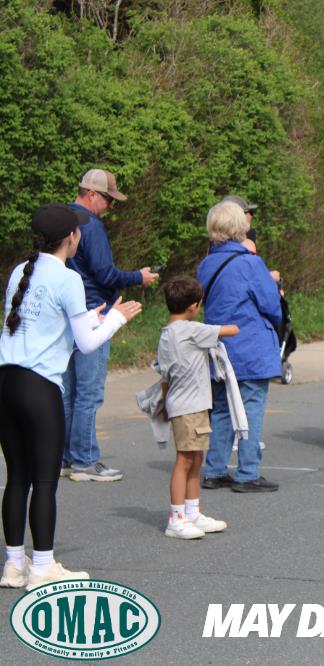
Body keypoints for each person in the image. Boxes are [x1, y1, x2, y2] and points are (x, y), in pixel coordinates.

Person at [0, 203, 141, 589]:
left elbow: (42, 324)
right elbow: (88, 344)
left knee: (18, 477)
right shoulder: (68, 278)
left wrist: (93, 317)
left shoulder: (20, 271)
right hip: (39, 387)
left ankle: (13, 565)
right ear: (71, 238)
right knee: (45, 481)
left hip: (7, 381)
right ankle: (43, 567)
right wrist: (117, 318)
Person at [63, 169, 158, 482]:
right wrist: (137, 277)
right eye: (108, 200)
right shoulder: (91, 225)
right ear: (92, 194)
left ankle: (64, 457)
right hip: (96, 313)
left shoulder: (61, 219)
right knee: (88, 393)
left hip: (65, 314)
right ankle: (85, 460)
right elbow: (105, 274)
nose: (110, 207)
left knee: (68, 391)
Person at [198, 201, 283, 490]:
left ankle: (215, 469)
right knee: (251, 406)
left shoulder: (206, 264)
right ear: (240, 227)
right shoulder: (250, 263)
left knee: (222, 407)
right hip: (250, 345)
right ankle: (248, 472)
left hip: (218, 345)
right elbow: (271, 304)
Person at [156, 277, 238, 539]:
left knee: (196, 458)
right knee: (185, 460)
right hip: (191, 406)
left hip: (183, 403)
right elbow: (232, 330)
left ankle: (192, 512)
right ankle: (176, 518)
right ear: (193, 306)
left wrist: (165, 403)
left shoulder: (167, 334)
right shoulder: (192, 330)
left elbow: (165, 377)